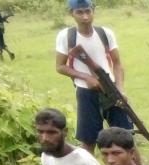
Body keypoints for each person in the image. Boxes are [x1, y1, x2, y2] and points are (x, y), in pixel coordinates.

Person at [54, 0, 133, 155]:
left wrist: (120, 89)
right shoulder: (67, 36)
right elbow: (60, 66)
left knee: (126, 138)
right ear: (72, 13)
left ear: (93, 10)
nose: (85, 17)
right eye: (80, 12)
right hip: (86, 93)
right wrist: (85, 77)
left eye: (88, 11)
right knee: (88, 142)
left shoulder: (105, 33)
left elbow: (117, 64)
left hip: (110, 89)